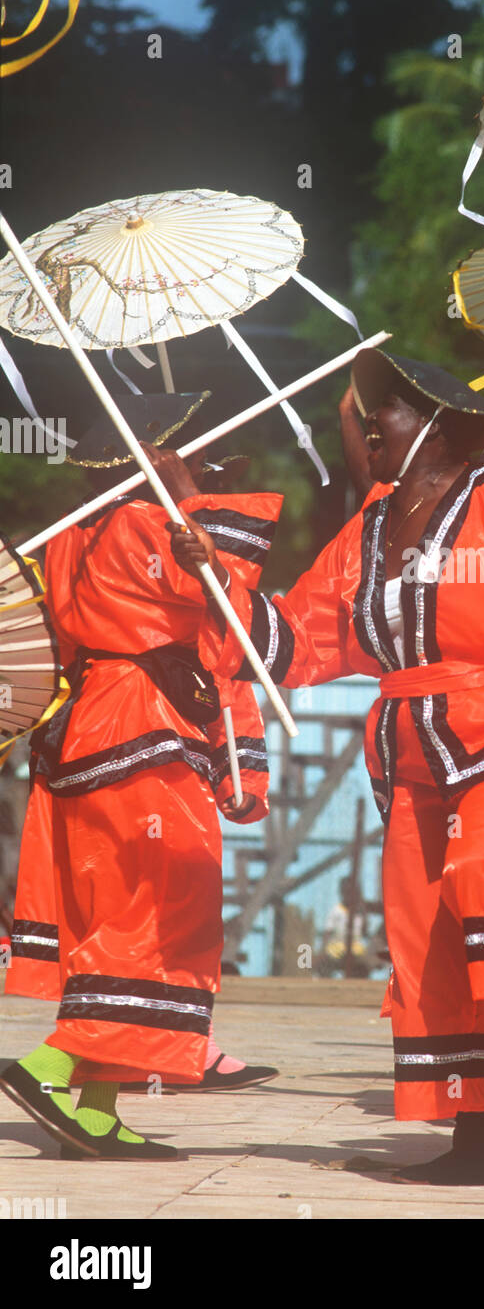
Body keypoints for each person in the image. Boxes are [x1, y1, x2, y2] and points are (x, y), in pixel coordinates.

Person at [167, 350, 484, 1186]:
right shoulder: (370, 529)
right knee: (426, 952)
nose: (365, 426)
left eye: (381, 411)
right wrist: (213, 576)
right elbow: (293, 639)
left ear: (431, 425)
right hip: (412, 761)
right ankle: (476, 1145)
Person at [0, 394, 282, 1158]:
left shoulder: (69, 536)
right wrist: (186, 494)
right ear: (155, 457)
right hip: (143, 732)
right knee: (156, 916)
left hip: (83, 733)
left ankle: (96, 1108)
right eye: (197, 454)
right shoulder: (152, 527)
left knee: (111, 920)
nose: (213, 470)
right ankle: (48, 1064)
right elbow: (232, 595)